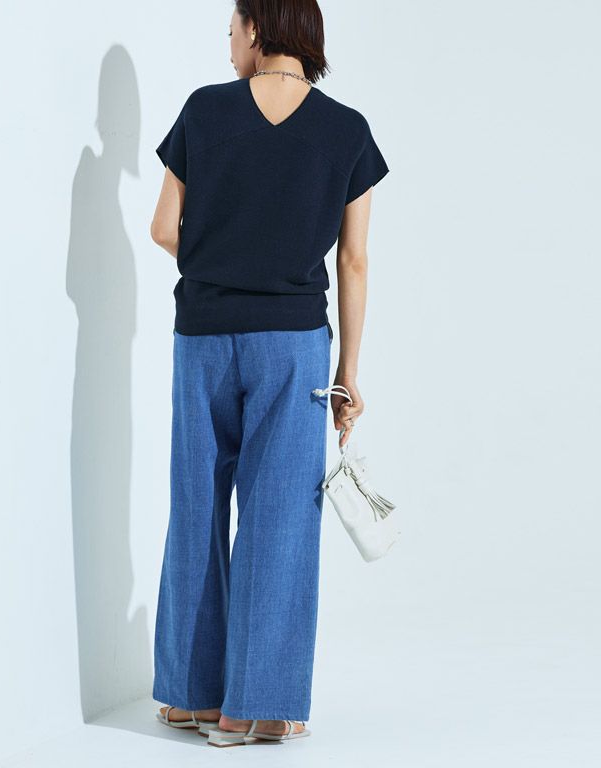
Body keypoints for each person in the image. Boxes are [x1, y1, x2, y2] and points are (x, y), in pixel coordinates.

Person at [149, 0, 389, 747]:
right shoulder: (346, 130)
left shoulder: (204, 111)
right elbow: (353, 261)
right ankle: (254, 707)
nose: (229, 45)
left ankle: (189, 696)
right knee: (279, 517)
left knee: (197, 504)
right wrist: (349, 371)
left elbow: (162, 228)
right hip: (293, 345)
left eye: (231, 30)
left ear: (257, 28)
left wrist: (222, 261)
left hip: (203, 336)